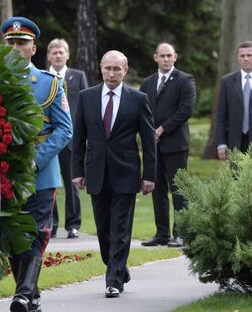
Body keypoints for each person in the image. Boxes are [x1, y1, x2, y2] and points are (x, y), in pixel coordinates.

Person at [0, 16, 73, 312]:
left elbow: (64, 129)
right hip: (3, 176)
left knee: (35, 236)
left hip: (39, 175)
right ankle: (34, 302)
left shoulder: (49, 83)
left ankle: (22, 296)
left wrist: (34, 161)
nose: (16, 48)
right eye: (11, 43)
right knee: (13, 240)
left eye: (22, 43)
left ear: (34, 48)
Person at [72, 50, 156, 298]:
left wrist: (149, 175)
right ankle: (118, 267)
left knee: (120, 228)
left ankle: (113, 280)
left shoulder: (138, 99)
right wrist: (77, 171)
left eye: (116, 69)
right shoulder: (86, 97)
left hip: (126, 173)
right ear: (100, 68)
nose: (111, 73)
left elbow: (149, 142)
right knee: (103, 230)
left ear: (125, 71)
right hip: (96, 172)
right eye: (107, 68)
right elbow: (79, 138)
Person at [139, 42, 196, 248]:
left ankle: (181, 234)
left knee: (178, 190)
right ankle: (161, 233)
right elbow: (142, 109)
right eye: (162, 56)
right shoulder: (147, 82)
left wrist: (161, 129)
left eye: (169, 56)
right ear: (155, 58)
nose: (166, 59)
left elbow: (186, 110)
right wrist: (148, 132)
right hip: (153, 145)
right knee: (157, 189)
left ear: (175, 57)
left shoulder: (185, 80)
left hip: (175, 143)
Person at [47, 38, 88, 239]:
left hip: (72, 140)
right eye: (54, 52)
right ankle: (51, 223)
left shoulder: (78, 77)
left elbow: (86, 108)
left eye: (61, 52)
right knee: (49, 183)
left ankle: (73, 224)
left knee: (73, 182)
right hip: (48, 139)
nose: (57, 55)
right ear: (48, 56)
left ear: (67, 55)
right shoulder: (42, 77)